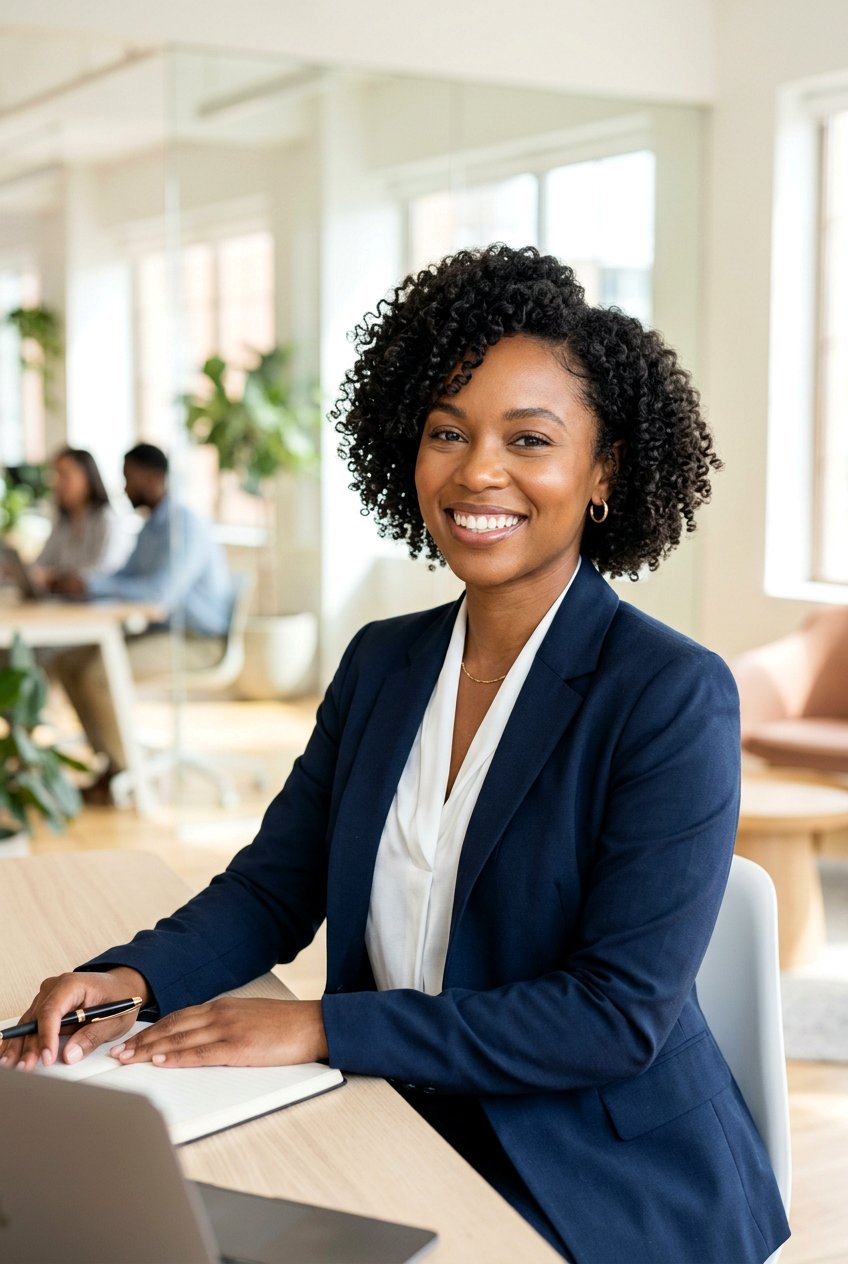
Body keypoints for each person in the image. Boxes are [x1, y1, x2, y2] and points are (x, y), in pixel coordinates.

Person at [2, 247, 789, 1263]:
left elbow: (609, 1017)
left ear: (602, 470)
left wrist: (328, 1025)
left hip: (595, 1171)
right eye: (446, 432)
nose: (477, 472)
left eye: (528, 439)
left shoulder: (667, 694)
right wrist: (127, 976)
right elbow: (273, 888)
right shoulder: (383, 661)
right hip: (399, 1110)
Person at [50, 442, 234, 801]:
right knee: (69, 662)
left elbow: (158, 594)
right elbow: (125, 577)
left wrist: (91, 584)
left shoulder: (185, 526)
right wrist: (86, 584)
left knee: (99, 673)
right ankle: (112, 762)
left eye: (128, 479)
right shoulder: (151, 527)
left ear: (153, 479)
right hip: (162, 633)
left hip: (198, 641)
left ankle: (128, 775)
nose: (122, 488)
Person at [31, 447, 131, 586]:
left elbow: (105, 574)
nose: (57, 483)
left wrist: (54, 577)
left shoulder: (106, 519)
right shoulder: (63, 521)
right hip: (65, 603)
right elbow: (41, 564)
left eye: (64, 475)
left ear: (88, 478)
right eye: (55, 476)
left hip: (99, 605)